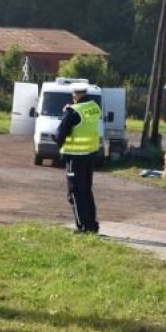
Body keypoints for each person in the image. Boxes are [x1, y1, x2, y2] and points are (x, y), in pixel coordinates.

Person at [56, 82, 102, 235]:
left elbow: (60, 134)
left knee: (75, 192)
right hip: (90, 155)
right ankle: (92, 225)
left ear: (74, 94)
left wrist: (67, 113)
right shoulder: (94, 107)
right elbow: (83, 120)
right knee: (86, 190)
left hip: (75, 157)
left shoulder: (72, 112)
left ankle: (83, 227)